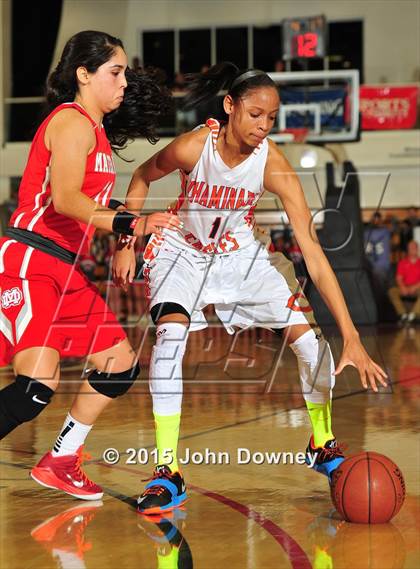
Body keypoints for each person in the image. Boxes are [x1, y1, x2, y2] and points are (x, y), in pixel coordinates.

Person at [113, 62, 387, 514]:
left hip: (243, 254)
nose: (264, 126)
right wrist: (126, 242)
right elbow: (142, 177)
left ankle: (322, 443)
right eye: (256, 114)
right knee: (169, 340)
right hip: (183, 248)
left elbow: (314, 255)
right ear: (230, 106)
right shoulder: (193, 147)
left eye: (272, 117)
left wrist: (352, 335)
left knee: (314, 349)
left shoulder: (273, 165)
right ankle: (168, 471)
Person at [0, 30, 181, 500]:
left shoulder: (96, 131)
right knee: (36, 386)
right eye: (114, 72)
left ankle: (61, 459)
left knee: (118, 365)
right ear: (83, 74)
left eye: (124, 73)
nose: (123, 83)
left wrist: (125, 232)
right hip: (32, 258)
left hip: (63, 268)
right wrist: (133, 224)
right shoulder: (71, 122)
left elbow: (94, 201)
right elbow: (64, 199)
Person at [388, 240, 420, 323]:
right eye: (410, 247)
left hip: (417, 287)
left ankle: (414, 314)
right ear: (408, 250)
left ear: (417, 249)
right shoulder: (403, 262)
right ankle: (403, 314)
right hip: (405, 287)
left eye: (414, 247)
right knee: (392, 291)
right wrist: (403, 287)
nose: (412, 249)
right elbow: (399, 278)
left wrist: (414, 287)